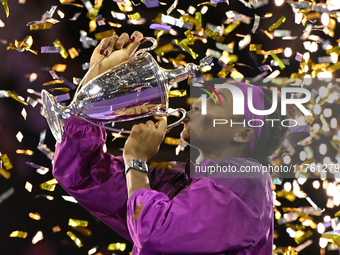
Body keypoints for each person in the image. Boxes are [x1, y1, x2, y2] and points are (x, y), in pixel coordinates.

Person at [52, 31, 289, 255]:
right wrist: (99, 77)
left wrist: (135, 162)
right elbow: (80, 174)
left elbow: (154, 231)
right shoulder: (178, 178)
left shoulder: (248, 180)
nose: (196, 104)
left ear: (242, 134)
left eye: (216, 102)